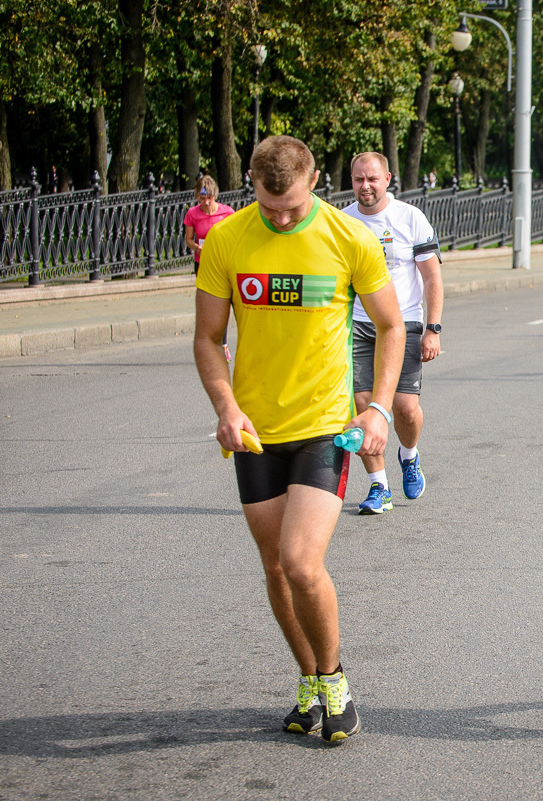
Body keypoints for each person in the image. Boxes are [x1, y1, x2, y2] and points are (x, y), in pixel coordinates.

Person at [193, 135, 407, 743]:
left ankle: (336, 680)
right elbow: (208, 338)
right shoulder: (228, 239)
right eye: (269, 204)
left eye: (291, 205)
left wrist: (380, 411)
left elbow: (392, 326)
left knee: (300, 562)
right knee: (274, 567)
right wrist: (226, 406)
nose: (282, 218)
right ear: (252, 186)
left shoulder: (350, 238)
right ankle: (309, 678)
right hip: (255, 433)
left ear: (314, 179)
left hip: (324, 427)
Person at [342, 152, 443, 515]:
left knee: (405, 409)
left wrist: (432, 329)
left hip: (405, 325)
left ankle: (409, 455)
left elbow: (432, 277)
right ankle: (378, 486)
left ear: (387, 178)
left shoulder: (410, 218)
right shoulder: (343, 223)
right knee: (363, 406)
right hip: (358, 325)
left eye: (372, 179)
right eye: (358, 180)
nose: (365, 186)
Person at [184, 176, 236, 360]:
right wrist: (197, 248)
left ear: (215, 196)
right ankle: (209, 345)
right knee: (208, 305)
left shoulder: (227, 212)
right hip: (203, 263)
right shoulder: (192, 214)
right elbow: (188, 240)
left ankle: (223, 344)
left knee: (224, 303)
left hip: (222, 262)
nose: (206, 203)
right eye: (202, 199)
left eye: (209, 198)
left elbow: (234, 236)